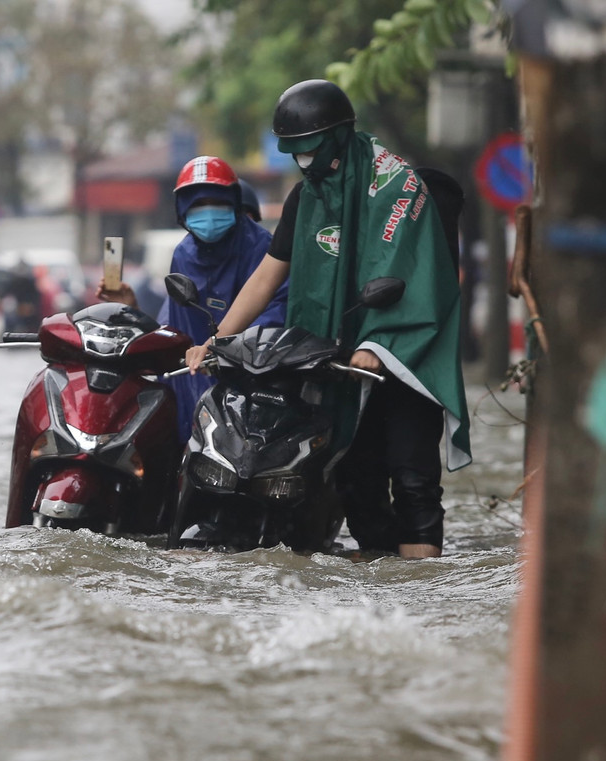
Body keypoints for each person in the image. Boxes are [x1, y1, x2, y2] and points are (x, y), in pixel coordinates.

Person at [185, 80, 470, 559]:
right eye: (293, 153)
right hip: (334, 366)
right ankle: (379, 577)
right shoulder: (305, 198)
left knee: (413, 477)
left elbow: (415, 277)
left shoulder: (399, 190)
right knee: (354, 478)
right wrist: (217, 339)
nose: (303, 162)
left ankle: (424, 589)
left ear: (340, 136)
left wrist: (376, 346)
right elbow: (265, 278)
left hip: (402, 360)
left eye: (310, 150)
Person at [98, 156, 288, 441]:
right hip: (191, 379)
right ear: (181, 209)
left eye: (217, 202)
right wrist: (132, 309)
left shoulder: (263, 250)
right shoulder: (184, 254)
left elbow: (277, 311)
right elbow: (173, 325)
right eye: (197, 204)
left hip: (251, 381)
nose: (208, 213)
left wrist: (230, 349)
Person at [1, 259, 43, 333]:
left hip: (29, 310)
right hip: (16, 309)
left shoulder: (30, 282)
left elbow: (37, 296)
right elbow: (5, 292)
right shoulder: (13, 281)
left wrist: (30, 307)